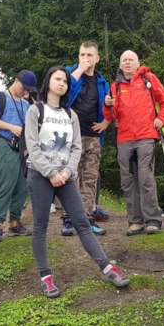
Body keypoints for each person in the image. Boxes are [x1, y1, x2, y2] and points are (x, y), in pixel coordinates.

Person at [25, 66, 131, 298]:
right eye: (57, 79)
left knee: (82, 222)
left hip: (66, 177)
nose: (62, 83)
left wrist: (68, 171)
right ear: (48, 82)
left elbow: (76, 147)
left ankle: (106, 267)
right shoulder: (35, 110)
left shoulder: (70, 115)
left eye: (65, 80)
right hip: (40, 175)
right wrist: (51, 173)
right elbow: (32, 146)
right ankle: (46, 277)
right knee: (41, 227)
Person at [103, 50, 164, 235]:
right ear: (120, 65)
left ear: (137, 62)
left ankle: (152, 220)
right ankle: (135, 221)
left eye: (130, 59)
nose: (127, 62)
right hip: (124, 138)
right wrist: (107, 105)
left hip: (146, 135)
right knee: (127, 180)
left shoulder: (148, 79)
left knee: (145, 177)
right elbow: (110, 116)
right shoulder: (115, 86)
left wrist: (162, 118)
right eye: (124, 60)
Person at [54, 42, 112, 236]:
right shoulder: (70, 75)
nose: (85, 58)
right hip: (71, 137)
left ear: (97, 58)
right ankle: (68, 219)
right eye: (82, 54)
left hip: (94, 136)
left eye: (89, 55)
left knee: (90, 178)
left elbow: (111, 108)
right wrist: (79, 71)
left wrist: (106, 122)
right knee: (69, 177)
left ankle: (87, 219)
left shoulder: (102, 82)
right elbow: (64, 97)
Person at [0, 70, 38, 242]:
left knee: (22, 185)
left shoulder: (26, 103)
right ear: (16, 80)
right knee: (6, 183)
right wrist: (10, 127)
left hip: (23, 147)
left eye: (28, 89)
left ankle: (15, 222)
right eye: (24, 86)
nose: (25, 91)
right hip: (6, 142)